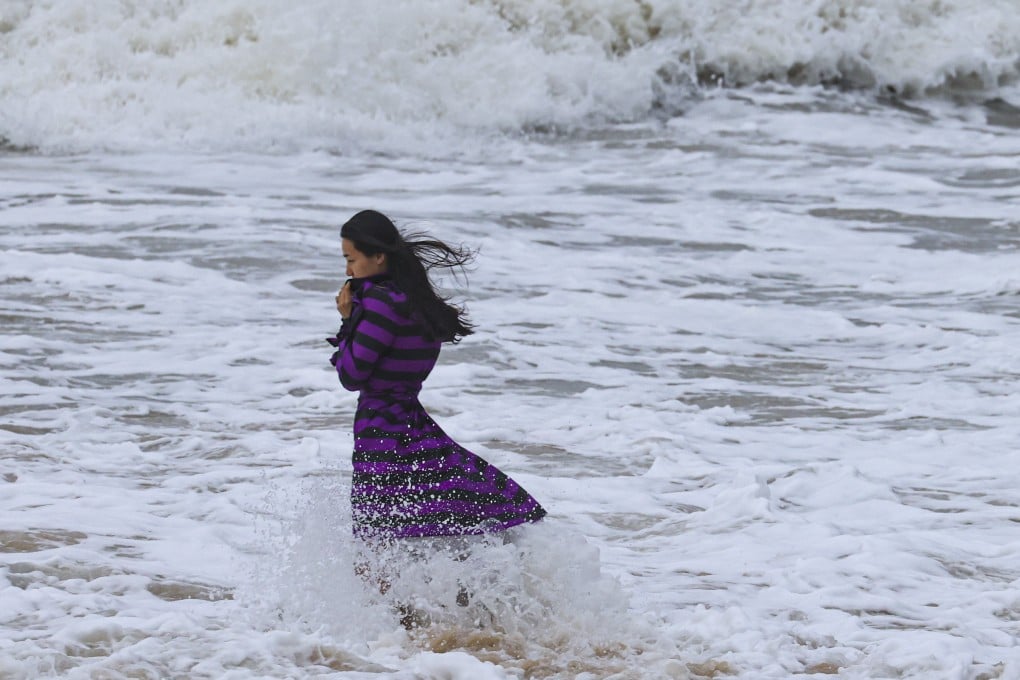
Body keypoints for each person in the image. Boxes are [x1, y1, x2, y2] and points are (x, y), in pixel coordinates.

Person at [327, 209, 546, 546]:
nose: (347, 270)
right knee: (428, 534)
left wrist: (346, 321)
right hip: (415, 429)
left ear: (379, 256)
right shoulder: (415, 302)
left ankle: (394, 600)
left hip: (381, 435)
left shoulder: (380, 305)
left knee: (374, 547)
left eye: (351, 259)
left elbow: (351, 375)